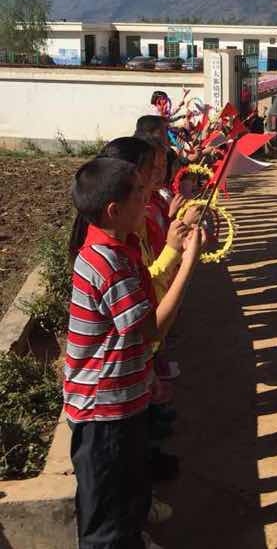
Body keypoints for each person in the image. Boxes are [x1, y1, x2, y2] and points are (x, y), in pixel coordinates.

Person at [63, 157, 203, 549]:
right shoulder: (107, 263)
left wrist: (146, 374)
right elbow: (151, 329)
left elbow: (130, 333)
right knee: (106, 517)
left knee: (128, 490)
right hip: (104, 413)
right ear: (114, 210)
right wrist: (188, 263)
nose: (149, 198)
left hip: (122, 399)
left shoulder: (117, 249)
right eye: (140, 193)